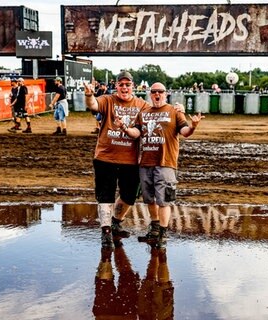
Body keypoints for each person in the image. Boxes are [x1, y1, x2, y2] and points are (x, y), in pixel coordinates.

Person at [116, 82, 204, 249]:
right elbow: (137, 133)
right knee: (149, 199)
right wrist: (125, 128)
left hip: (166, 163)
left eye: (160, 92)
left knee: (163, 201)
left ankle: (163, 234)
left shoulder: (174, 112)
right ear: (150, 94)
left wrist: (193, 126)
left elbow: (185, 132)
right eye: (154, 91)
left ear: (166, 94)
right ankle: (155, 229)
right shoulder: (144, 113)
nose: (157, 94)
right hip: (146, 163)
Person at [84, 70, 151, 249]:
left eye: (127, 84)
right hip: (105, 157)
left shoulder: (142, 105)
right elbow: (93, 106)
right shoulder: (108, 100)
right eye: (121, 84)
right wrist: (89, 94)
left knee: (129, 196)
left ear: (133, 86)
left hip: (130, 160)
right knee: (105, 195)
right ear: (116, 86)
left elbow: (144, 127)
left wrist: (125, 129)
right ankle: (105, 232)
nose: (124, 87)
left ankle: (115, 223)